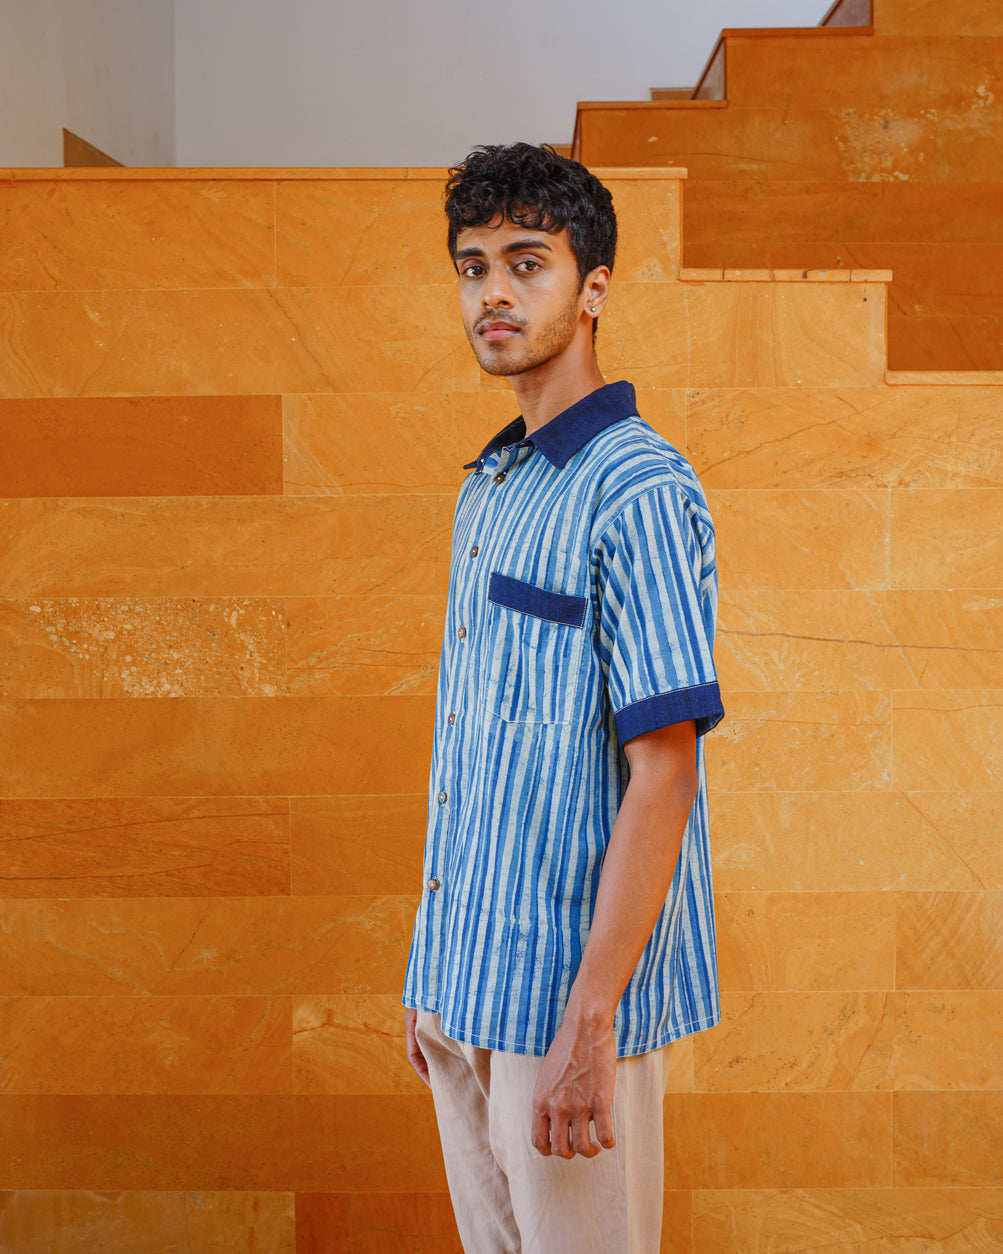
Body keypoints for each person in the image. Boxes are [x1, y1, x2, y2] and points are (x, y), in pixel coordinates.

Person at [402, 143, 724, 1254]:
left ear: (593, 289)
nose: (492, 291)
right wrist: (429, 976)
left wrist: (591, 1022)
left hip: (566, 1010)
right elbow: (478, 748)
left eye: (527, 263)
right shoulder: (490, 486)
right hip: (462, 993)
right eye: (472, 265)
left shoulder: (638, 488)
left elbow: (665, 771)